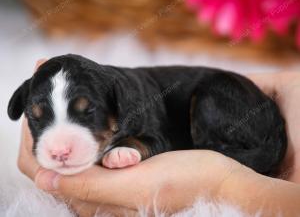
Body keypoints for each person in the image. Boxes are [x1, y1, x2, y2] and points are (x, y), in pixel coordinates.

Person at [17, 60, 300, 216]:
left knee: (209, 106)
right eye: (39, 117)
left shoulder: (130, 102)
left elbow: (157, 137)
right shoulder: (115, 94)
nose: (60, 147)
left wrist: (222, 184)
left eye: (86, 112)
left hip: (230, 100)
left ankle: (230, 151)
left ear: (118, 105)